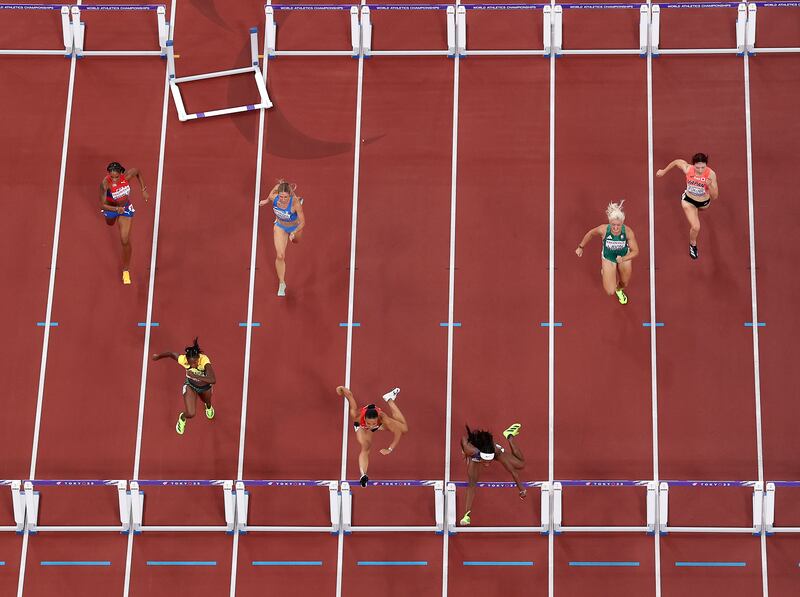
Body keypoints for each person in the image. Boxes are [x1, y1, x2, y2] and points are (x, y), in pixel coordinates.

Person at [336, 386, 408, 487]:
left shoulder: (382, 417)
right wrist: (341, 389)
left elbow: (398, 432)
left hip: (379, 425)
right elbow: (350, 396)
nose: (371, 425)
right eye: (369, 423)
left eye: (373, 423)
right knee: (366, 446)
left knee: (404, 429)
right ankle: (363, 475)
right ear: (364, 418)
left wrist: (390, 448)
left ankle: (389, 399)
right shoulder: (356, 416)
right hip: (361, 427)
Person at [459, 423, 526, 526]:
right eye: (485, 461)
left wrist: (521, 489)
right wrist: (464, 451)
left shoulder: (496, 452)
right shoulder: (470, 450)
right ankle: (467, 515)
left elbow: (513, 471)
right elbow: (463, 439)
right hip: (475, 454)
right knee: (472, 482)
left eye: (489, 462)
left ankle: (509, 436)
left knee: (521, 464)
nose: (487, 465)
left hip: (491, 450)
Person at [656, 153, 718, 259]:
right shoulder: (688, 169)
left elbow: (715, 196)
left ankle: (696, 211)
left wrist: (710, 186)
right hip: (689, 201)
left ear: (706, 165)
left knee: (702, 210)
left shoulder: (711, 174)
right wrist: (663, 171)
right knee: (696, 227)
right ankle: (692, 244)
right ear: (693, 165)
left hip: (703, 203)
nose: (700, 170)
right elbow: (676, 162)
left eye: (703, 167)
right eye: (697, 167)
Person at [576, 200, 639, 305]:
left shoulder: (628, 232)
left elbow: (636, 251)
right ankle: (605, 271)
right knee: (610, 291)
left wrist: (623, 259)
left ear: (622, 223)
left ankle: (619, 290)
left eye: (618, 225)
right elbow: (591, 234)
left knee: (624, 282)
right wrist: (580, 247)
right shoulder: (603, 229)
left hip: (623, 256)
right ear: (610, 223)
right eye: (613, 225)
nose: (615, 228)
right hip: (609, 257)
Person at [152, 338, 216, 435]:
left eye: (194, 362)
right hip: (191, 386)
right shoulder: (183, 360)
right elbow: (171, 354)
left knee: (207, 401)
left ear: (198, 358)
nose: (193, 365)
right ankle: (182, 417)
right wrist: (158, 356)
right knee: (191, 413)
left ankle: (208, 407)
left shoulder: (204, 360)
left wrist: (196, 376)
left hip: (205, 387)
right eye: (190, 363)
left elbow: (213, 379)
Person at [99, 162, 149, 285]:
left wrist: (143, 190)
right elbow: (102, 204)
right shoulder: (105, 184)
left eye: (116, 176)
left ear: (121, 173)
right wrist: (115, 210)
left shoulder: (127, 176)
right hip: (111, 210)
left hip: (125, 209)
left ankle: (126, 270)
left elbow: (137, 170)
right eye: (112, 176)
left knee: (125, 239)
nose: (114, 178)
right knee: (110, 224)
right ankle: (114, 219)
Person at [259, 180, 306, 297]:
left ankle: (298, 197)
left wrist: (294, 232)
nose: (283, 199)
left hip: (294, 227)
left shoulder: (295, 204)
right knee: (280, 256)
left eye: (286, 197)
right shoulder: (274, 197)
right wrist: (266, 200)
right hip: (280, 226)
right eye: (281, 196)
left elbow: (303, 222)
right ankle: (282, 283)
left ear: (289, 196)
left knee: (295, 241)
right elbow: (270, 196)